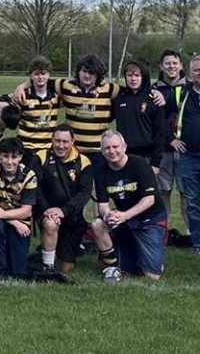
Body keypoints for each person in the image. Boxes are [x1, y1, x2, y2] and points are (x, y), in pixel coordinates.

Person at [13, 54, 120, 169]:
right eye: (84, 71)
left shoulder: (110, 89)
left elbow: (129, 95)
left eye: (92, 73)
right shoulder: (65, 86)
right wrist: (21, 87)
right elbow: (42, 80)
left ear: (98, 74)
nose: (87, 75)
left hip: (98, 152)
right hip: (72, 151)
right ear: (78, 72)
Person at [90, 130, 168, 281]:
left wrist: (125, 215)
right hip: (124, 218)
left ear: (124, 147)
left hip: (149, 220)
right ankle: (112, 266)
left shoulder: (140, 164)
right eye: (107, 148)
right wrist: (109, 216)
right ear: (102, 151)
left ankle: (149, 258)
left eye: (115, 147)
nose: (112, 151)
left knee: (152, 276)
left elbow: (149, 199)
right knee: (97, 224)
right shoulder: (100, 172)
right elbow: (103, 205)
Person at [29, 125, 93, 273]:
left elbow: (84, 194)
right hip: (46, 212)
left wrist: (63, 211)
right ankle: (48, 268)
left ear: (72, 142)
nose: (61, 145)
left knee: (65, 268)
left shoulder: (84, 162)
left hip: (71, 216)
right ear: (52, 140)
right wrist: (47, 210)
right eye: (57, 141)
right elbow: (33, 187)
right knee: (50, 223)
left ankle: (43, 255)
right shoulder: (40, 157)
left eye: (65, 141)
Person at [0, 137, 38, 284]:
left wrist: (9, 218)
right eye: (5, 156)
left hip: (20, 220)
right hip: (0, 218)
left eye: (14, 157)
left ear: (20, 157)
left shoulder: (29, 175)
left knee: (17, 271)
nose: (9, 161)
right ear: (0, 156)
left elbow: (27, 211)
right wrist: (13, 221)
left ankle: (1, 257)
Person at [112, 60, 165, 173]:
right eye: (129, 75)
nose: (133, 79)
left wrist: (156, 162)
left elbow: (160, 133)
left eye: (137, 75)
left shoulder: (153, 100)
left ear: (143, 77)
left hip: (147, 157)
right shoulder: (119, 98)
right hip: (124, 155)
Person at [170, 55, 200, 251]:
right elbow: (161, 116)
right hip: (189, 157)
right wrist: (170, 139)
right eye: (196, 70)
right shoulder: (181, 92)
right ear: (189, 72)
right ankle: (198, 243)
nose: (199, 73)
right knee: (193, 202)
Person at [153, 49, 187, 223]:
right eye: (167, 63)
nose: (171, 66)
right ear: (161, 66)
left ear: (181, 66)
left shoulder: (191, 88)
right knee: (162, 192)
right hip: (162, 150)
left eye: (175, 63)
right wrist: (169, 139)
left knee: (187, 192)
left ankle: (192, 232)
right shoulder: (153, 90)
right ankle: (162, 232)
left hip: (186, 150)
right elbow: (154, 120)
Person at [16, 56, 60, 164]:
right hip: (27, 150)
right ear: (31, 76)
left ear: (49, 75)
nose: (40, 77)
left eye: (43, 73)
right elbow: (4, 100)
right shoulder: (23, 96)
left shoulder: (56, 97)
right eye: (36, 74)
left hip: (47, 150)